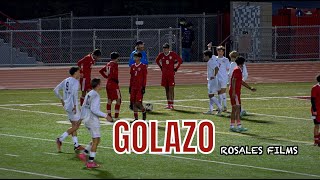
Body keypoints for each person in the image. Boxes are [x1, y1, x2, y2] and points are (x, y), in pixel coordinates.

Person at [77, 78, 111, 168]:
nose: (102, 85)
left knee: (97, 139)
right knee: (96, 141)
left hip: (87, 120)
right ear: (98, 85)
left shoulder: (89, 94)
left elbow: (83, 106)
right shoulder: (96, 95)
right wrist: (106, 115)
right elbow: (94, 110)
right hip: (92, 120)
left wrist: (81, 118)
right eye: (101, 84)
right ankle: (91, 162)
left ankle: (84, 154)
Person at [54, 67, 84, 152]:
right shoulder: (75, 82)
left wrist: (61, 99)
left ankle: (76, 145)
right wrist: (75, 105)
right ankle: (60, 139)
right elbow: (74, 94)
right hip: (72, 105)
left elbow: (55, 90)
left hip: (67, 105)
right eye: (79, 72)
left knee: (74, 125)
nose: (80, 73)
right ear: (75, 73)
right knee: (77, 125)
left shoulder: (66, 80)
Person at [229, 56, 256, 133]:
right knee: (237, 109)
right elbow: (233, 80)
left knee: (234, 109)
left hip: (236, 92)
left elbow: (241, 82)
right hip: (235, 92)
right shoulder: (237, 70)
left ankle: (232, 125)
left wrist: (250, 88)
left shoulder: (238, 70)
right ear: (242, 63)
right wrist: (234, 92)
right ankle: (239, 126)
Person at [155, 43, 182, 109]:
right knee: (166, 89)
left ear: (168, 49)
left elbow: (180, 61)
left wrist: (176, 68)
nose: (165, 50)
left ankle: (171, 104)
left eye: (166, 48)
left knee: (171, 89)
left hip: (171, 75)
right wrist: (161, 67)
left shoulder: (172, 54)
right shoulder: (161, 55)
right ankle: (168, 104)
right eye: (164, 49)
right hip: (164, 75)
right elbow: (157, 60)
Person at [99, 52, 121, 121]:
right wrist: (115, 79)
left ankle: (109, 115)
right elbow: (114, 73)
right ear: (116, 58)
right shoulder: (115, 64)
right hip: (114, 84)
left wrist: (106, 77)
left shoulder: (108, 64)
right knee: (118, 100)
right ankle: (116, 116)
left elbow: (101, 71)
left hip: (108, 83)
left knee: (109, 100)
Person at [228, 50, 248, 117]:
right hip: (238, 82)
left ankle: (238, 112)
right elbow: (245, 74)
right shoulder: (242, 64)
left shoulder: (233, 64)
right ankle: (240, 110)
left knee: (235, 98)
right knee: (237, 98)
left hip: (235, 83)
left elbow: (231, 74)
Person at [202, 50, 223, 115]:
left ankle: (220, 107)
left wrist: (214, 76)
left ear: (208, 56)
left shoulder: (210, 62)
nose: (204, 57)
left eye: (205, 56)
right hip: (212, 80)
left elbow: (216, 68)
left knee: (210, 95)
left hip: (212, 81)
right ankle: (210, 110)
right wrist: (209, 47)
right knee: (211, 95)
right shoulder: (213, 58)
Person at [129, 52, 147, 122]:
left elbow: (144, 77)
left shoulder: (143, 66)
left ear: (140, 58)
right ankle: (136, 118)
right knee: (133, 102)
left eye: (136, 57)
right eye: (134, 57)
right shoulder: (132, 66)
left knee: (138, 103)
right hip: (133, 87)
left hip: (139, 87)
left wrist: (143, 87)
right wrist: (130, 86)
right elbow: (131, 77)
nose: (135, 58)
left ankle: (144, 112)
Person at [215, 45, 230, 112]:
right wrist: (209, 48)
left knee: (223, 92)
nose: (220, 52)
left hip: (224, 78)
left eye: (222, 51)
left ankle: (225, 106)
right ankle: (219, 106)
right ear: (217, 51)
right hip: (217, 77)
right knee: (219, 92)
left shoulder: (226, 60)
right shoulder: (215, 58)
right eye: (219, 51)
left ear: (223, 52)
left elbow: (228, 68)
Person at [311, 74, 320, 146]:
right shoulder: (315, 88)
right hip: (316, 110)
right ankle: (316, 141)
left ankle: (318, 138)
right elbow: (312, 100)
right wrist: (314, 110)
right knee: (316, 125)